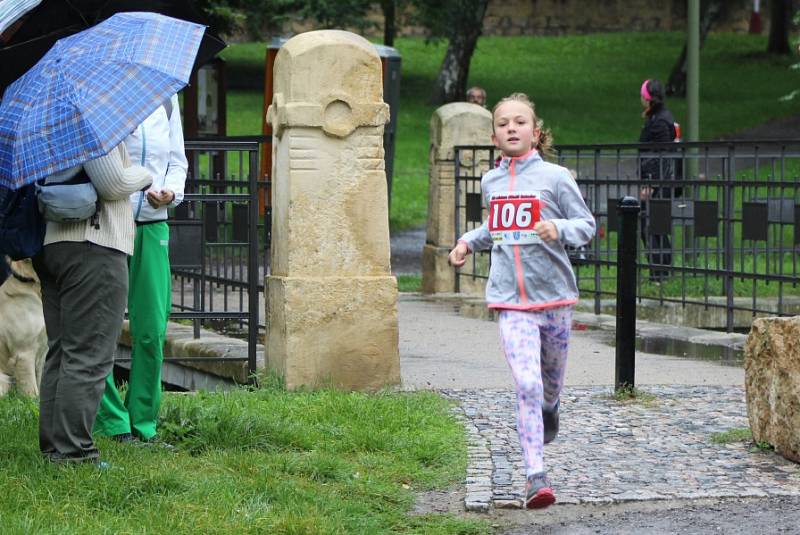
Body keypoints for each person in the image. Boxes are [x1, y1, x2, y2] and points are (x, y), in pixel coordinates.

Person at [448, 93, 595, 509]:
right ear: (494, 135)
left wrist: (558, 229)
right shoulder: (491, 181)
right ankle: (536, 476)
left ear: (535, 131)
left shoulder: (555, 177)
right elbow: (494, 227)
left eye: (520, 122)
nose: (512, 128)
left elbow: (586, 225)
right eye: (503, 123)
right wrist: (465, 243)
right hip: (509, 299)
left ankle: (552, 408)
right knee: (526, 384)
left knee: (548, 386)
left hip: (554, 299)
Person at [33, 145, 152, 464]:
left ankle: (55, 450)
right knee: (89, 354)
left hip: (53, 244)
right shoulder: (92, 123)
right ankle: (75, 453)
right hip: (93, 247)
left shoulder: (53, 123)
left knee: (62, 352)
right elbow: (112, 185)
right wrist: (145, 173)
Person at [94, 94, 188, 443]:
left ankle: (143, 423)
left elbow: (177, 162)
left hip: (153, 224)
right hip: (110, 223)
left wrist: (170, 193)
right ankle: (111, 421)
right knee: (100, 327)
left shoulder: (166, 97)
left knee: (151, 330)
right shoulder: (104, 95)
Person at [638, 78, 679, 283]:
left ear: (648, 98)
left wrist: (651, 184)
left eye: (642, 96)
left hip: (659, 183)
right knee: (653, 225)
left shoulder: (660, 121)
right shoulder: (659, 117)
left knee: (652, 225)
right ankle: (661, 272)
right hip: (659, 181)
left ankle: (660, 273)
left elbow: (662, 153)